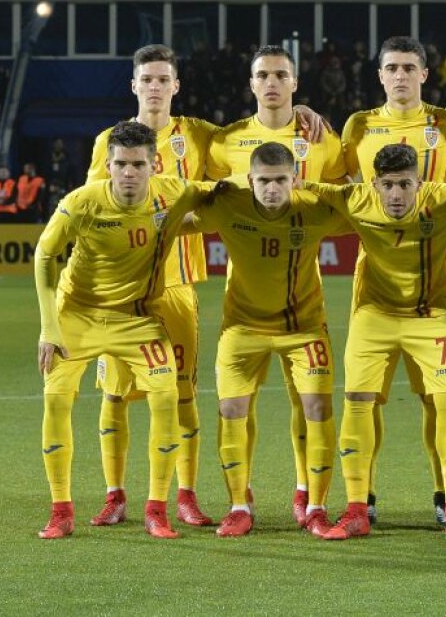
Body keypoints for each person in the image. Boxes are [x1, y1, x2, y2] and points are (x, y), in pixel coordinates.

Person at [33, 120, 219, 540]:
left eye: (137, 164)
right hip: (76, 316)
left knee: (168, 393)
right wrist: (49, 329)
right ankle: (61, 509)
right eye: (120, 164)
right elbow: (45, 256)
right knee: (57, 401)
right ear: (109, 165)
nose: (129, 173)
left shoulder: (172, 192)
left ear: (154, 164)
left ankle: (157, 508)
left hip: (136, 319)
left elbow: (228, 192)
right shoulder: (82, 202)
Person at [305, 144, 446, 542]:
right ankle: (356, 509)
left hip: (432, 316)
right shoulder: (354, 198)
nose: (397, 195)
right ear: (375, 184)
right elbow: (301, 186)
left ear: (419, 182)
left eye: (405, 184)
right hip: (375, 316)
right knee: (357, 403)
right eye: (388, 185)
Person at [208, 43, 347, 526]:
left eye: (281, 75)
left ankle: (309, 494)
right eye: (262, 74)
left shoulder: (323, 136)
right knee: (233, 407)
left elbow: (346, 194)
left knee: (308, 402)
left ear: (295, 83)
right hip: (243, 307)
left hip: (302, 306)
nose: (271, 83)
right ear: (250, 84)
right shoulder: (221, 142)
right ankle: (238, 502)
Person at [85, 44, 220, 530]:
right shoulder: (109, 141)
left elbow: (259, 135)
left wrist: (303, 112)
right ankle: (114, 495)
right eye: (148, 79)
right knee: (115, 394)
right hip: (122, 293)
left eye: (165, 79)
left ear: (176, 86)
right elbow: (94, 206)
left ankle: (185, 494)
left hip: (178, 285)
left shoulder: (200, 136)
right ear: (134, 85)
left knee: (183, 392)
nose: (156, 87)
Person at [189, 143, 349, 538]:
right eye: (264, 181)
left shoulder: (313, 209)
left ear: (294, 180)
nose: (272, 189)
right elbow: (179, 215)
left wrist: (323, 188)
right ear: (250, 180)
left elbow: (365, 209)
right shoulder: (229, 206)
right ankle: (239, 505)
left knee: (316, 406)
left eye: (281, 180)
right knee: (231, 410)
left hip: (304, 328)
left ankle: (315, 505)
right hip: (242, 329)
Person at [340, 36, 446, 526]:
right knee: (364, 398)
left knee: (438, 398)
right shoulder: (359, 126)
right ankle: (362, 500)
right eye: (391, 67)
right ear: (380, 76)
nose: (400, 76)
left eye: (409, 67)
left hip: (435, 283)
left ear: (424, 74)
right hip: (374, 286)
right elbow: (331, 180)